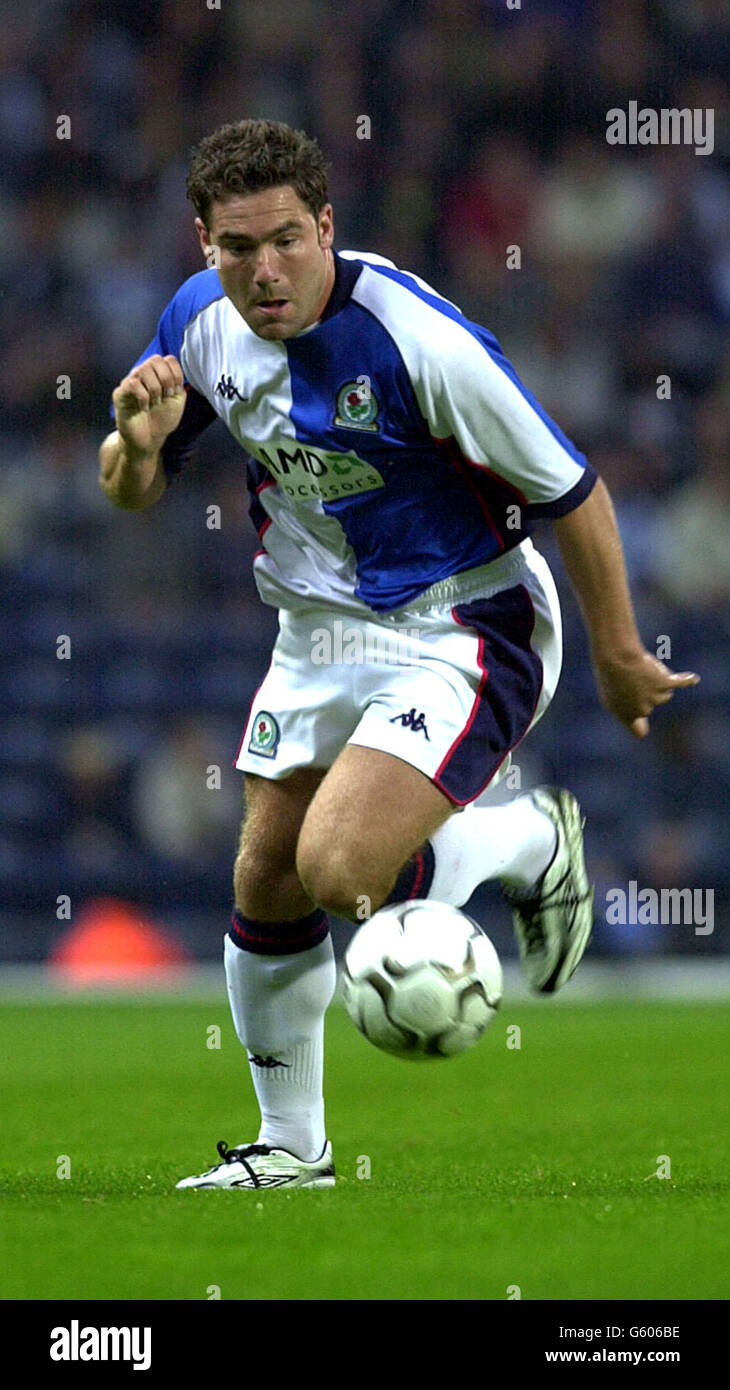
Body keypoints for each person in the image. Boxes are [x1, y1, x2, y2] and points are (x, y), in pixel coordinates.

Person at [99, 120, 699, 1191]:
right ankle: (292, 1151)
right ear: (204, 245)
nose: (264, 269)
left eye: (285, 239)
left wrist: (616, 650)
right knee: (267, 872)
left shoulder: (421, 342)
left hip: (466, 621)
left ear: (327, 226)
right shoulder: (196, 325)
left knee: (340, 868)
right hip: (316, 628)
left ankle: (524, 841)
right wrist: (136, 451)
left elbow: (577, 491)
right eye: (237, 248)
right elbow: (133, 490)